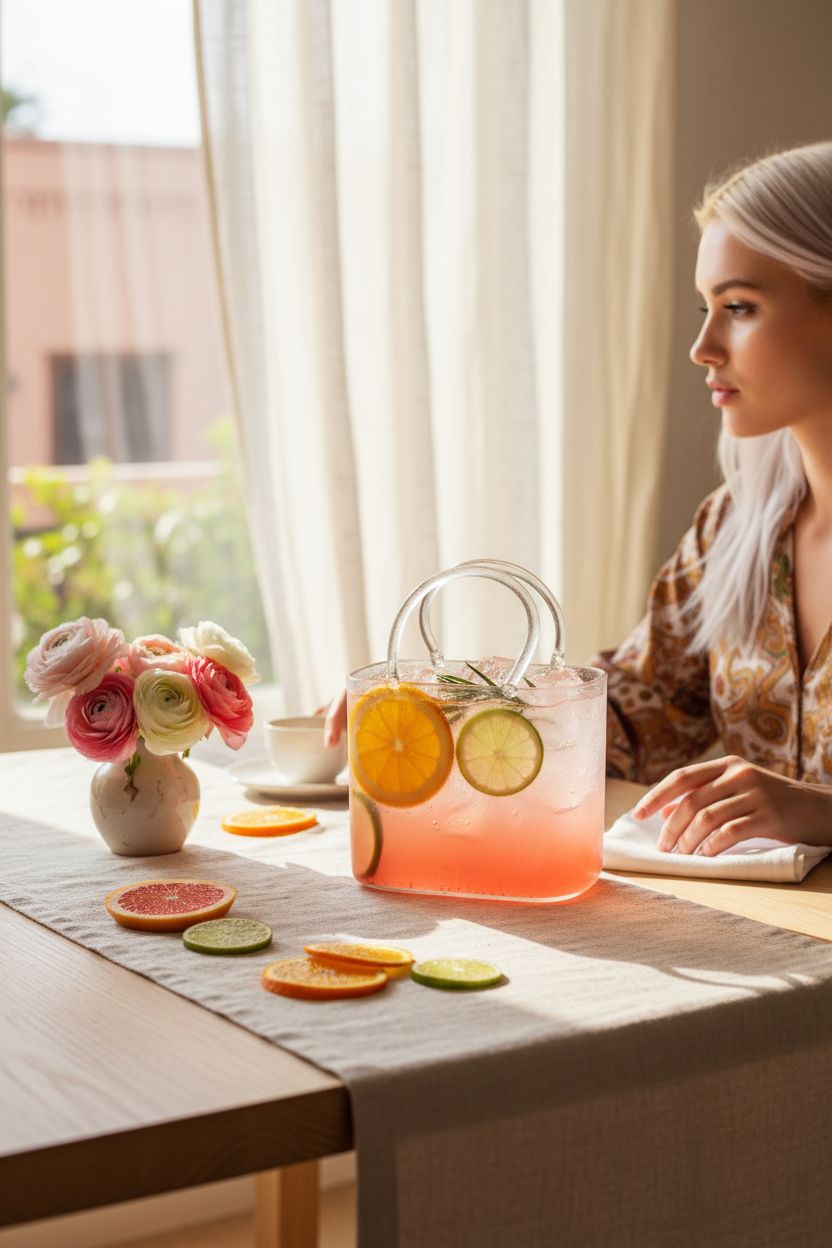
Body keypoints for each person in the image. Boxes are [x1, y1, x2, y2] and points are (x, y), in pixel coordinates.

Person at [324, 140, 832, 858]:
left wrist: (822, 811)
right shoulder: (734, 529)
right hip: (772, 948)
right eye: (706, 307)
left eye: (740, 307)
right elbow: (632, 716)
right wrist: (452, 702)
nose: (702, 345)